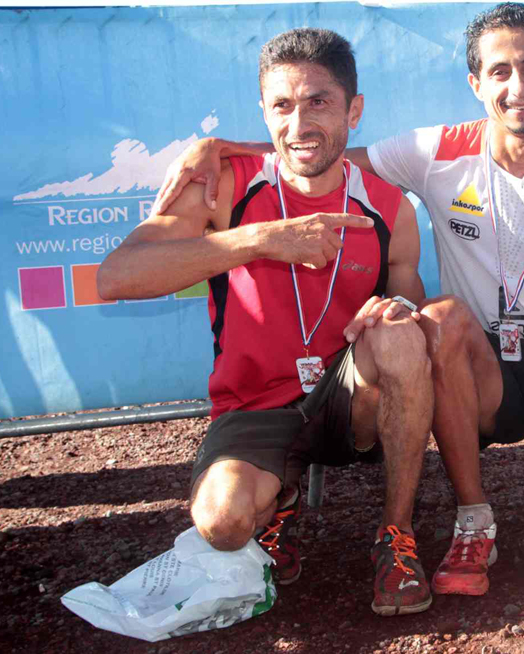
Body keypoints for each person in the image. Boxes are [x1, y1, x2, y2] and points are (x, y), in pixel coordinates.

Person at [154, 2, 524, 599]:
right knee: (441, 317)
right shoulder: (439, 150)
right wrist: (220, 149)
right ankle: (474, 520)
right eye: (499, 72)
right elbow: (320, 152)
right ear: (477, 85)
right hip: (479, 372)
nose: (518, 87)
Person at [97, 28, 440, 617]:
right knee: (223, 524)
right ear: (263, 111)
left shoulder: (388, 206)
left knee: (404, 337)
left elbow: (407, 297)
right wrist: (258, 240)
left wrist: (398, 310)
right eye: (282, 105)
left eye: (319, 102)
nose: (299, 123)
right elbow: (117, 277)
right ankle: (274, 502)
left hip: (345, 400)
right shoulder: (224, 186)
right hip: (253, 406)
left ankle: (396, 539)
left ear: (354, 111)